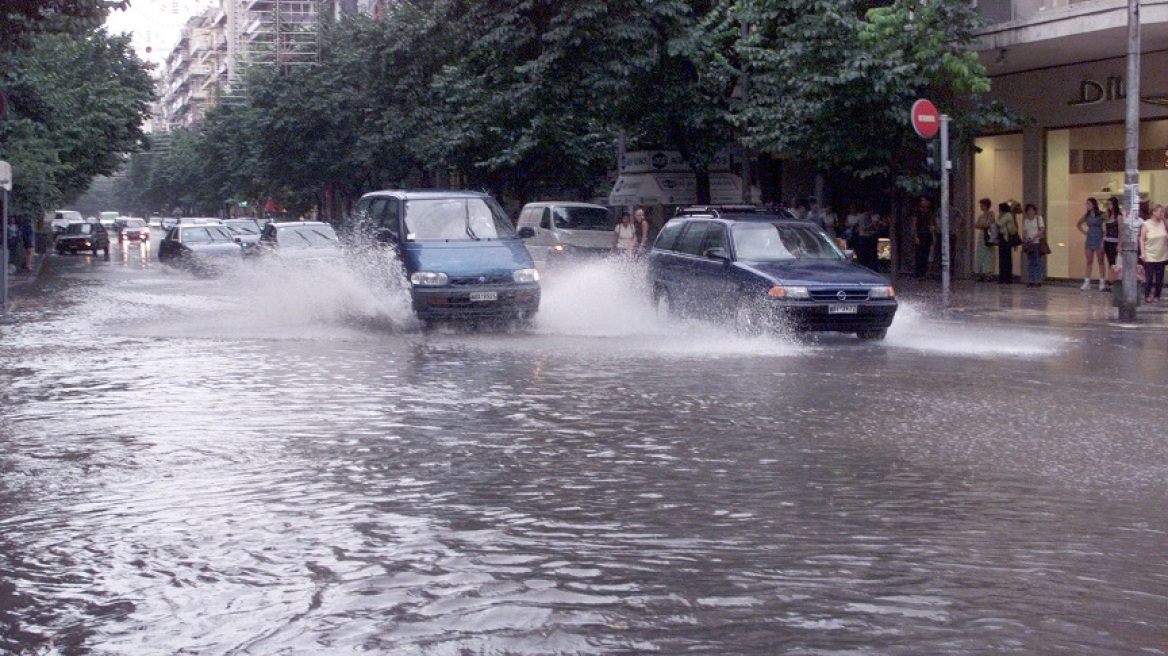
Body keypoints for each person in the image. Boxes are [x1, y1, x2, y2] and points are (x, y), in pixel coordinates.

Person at [1139, 203, 1168, 303]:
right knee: (1149, 278)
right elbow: (1142, 239)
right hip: (1150, 255)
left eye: (1162, 211)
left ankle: (1157, 295)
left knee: (1159, 278)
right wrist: (1143, 253)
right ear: (1154, 212)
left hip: (1162, 254)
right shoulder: (1146, 224)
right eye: (1160, 211)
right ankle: (1147, 295)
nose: (1162, 213)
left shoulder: (1164, 223)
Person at [1075, 197, 1106, 290]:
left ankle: (1102, 281)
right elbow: (1078, 224)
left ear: (1094, 205)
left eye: (1088, 204)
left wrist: (1104, 237)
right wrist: (1085, 232)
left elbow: (1107, 224)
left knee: (1100, 261)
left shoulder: (1101, 215)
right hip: (1090, 239)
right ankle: (1087, 281)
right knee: (1089, 261)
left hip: (1099, 238)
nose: (1087, 206)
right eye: (1086, 204)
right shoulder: (1087, 215)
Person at [1021, 203, 1046, 287]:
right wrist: (1026, 238)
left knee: (1037, 261)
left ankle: (1038, 280)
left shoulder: (1039, 218)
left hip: (1037, 242)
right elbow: (1024, 231)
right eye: (1029, 210)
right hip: (1029, 244)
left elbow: (1042, 229)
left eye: (1032, 210)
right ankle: (1031, 279)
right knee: (1030, 262)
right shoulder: (1026, 221)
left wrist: (1034, 237)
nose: (1031, 212)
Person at [911, 196, 937, 279]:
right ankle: (918, 273)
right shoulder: (917, 212)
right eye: (922, 201)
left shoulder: (930, 212)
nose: (923, 202)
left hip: (927, 234)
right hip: (920, 234)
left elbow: (933, 223)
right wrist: (915, 236)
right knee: (919, 254)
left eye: (925, 201)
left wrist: (933, 232)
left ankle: (923, 273)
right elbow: (914, 224)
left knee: (926, 254)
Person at [973, 198, 997, 282]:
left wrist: (982, 225)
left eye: (982, 205)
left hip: (988, 235)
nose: (981, 207)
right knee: (981, 254)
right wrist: (983, 225)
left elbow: (989, 224)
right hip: (982, 236)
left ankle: (988, 274)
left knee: (988, 255)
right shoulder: (981, 216)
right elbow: (976, 225)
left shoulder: (991, 214)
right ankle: (981, 273)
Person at [995, 202, 1018, 284]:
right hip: (1003, 237)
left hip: (1006, 238)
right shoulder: (1005, 215)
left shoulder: (1007, 215)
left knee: (1006, 259)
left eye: (999, 209)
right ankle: (1003, 277)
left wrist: (999, 217)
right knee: (1002, 258)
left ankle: (1007, 278)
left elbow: (999, 223)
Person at [1101, 196, 1121, 290]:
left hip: (1114, 241)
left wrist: (1120, 244)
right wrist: (1102, 241)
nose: (1109, 206)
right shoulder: (1108, 216)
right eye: (1108, 204)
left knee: (1114, 262)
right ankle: (1110, 281)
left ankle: (1113, 282)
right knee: (1109, 262)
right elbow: (1105, 230)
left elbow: (1121, 231)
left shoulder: (1119, 217)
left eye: (1110, 204)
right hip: (1107, 240)